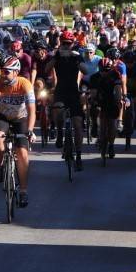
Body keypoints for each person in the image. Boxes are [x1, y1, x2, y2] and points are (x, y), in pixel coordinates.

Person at [0, 56, 35, 208]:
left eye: (6, 72)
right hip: (2, 116)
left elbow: (32, 110)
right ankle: (0, 164)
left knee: (22, 153)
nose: (3, 75)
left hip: (21, 118)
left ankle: (23, 191)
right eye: (1, 71)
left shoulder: (24, 84)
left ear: (16, 72)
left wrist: (30, 131)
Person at [48, 30, 86, 169]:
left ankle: (79, 155)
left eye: (69, 44)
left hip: (73, 91)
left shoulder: (76, 55)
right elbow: (47, 69)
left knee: (77, 124)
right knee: (58, 111)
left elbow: (85, 70)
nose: (66, 46)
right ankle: (59, 133)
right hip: (61, 91)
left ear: (73, 44)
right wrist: (55, 57)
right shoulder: (57, 55)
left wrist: (76, 59)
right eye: (64, 43)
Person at [88, 49, 126, 159]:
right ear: (99, 69)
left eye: (107, 70)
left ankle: (111, 145)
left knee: (112, 124)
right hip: (100, 100)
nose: (105, 72)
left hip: (111, 100)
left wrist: (120, 100)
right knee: (93, 108)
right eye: (102, 70)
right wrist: (93, 100)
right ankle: (95, 125)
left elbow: (118, 89)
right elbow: (93, 93)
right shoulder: (95, 77)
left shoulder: (116, 75)